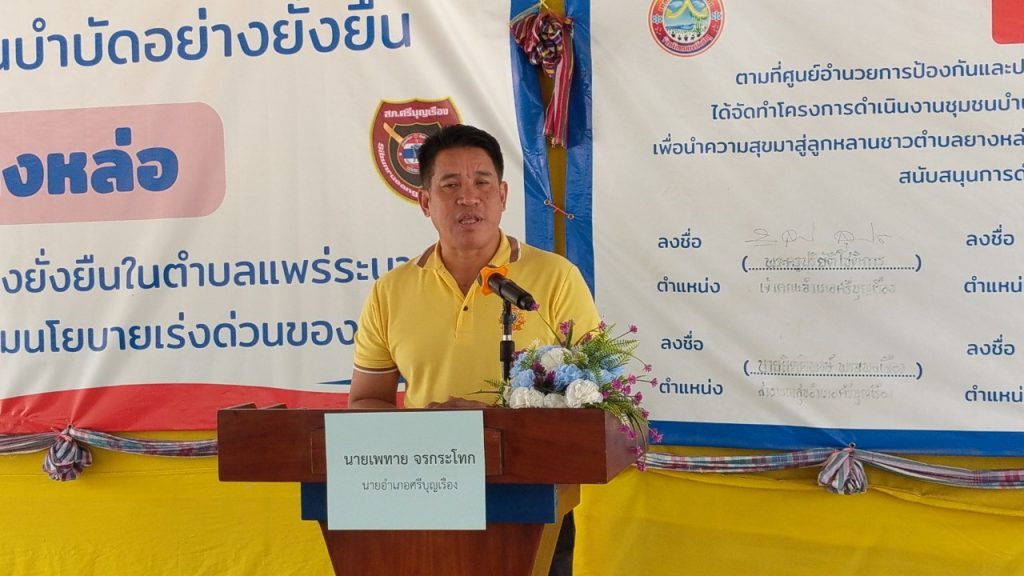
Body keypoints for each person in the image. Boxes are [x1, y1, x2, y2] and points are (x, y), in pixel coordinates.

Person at [348, 124, 599, 575]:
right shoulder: (390, 291)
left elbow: (594, 397)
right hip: (425, 496)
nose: (468, 197)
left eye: (482, 182)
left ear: (502, 195)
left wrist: (493, 423)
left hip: (533, 501)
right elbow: (366, 400)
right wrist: (427, 436)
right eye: (450, 185)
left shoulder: (556, 278)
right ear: (425, 201)